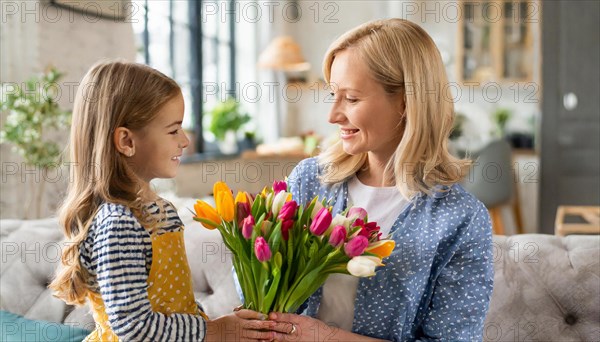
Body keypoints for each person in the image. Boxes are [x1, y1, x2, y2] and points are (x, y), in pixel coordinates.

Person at [269, 19, 494, 341]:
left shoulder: (460, 218)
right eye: (333, 94)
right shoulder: (309, 181)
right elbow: (265, 294)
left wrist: (324, 337)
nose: (332, 115)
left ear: (406, 101)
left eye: (351, 98)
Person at [49, 61, 287, 341]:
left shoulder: (161, 211)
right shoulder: (119, 223)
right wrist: (212, 331)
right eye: (173, 130)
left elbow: (173, 305)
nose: (185, 141)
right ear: (126, 141)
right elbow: (133, 327)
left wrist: (219, 324)